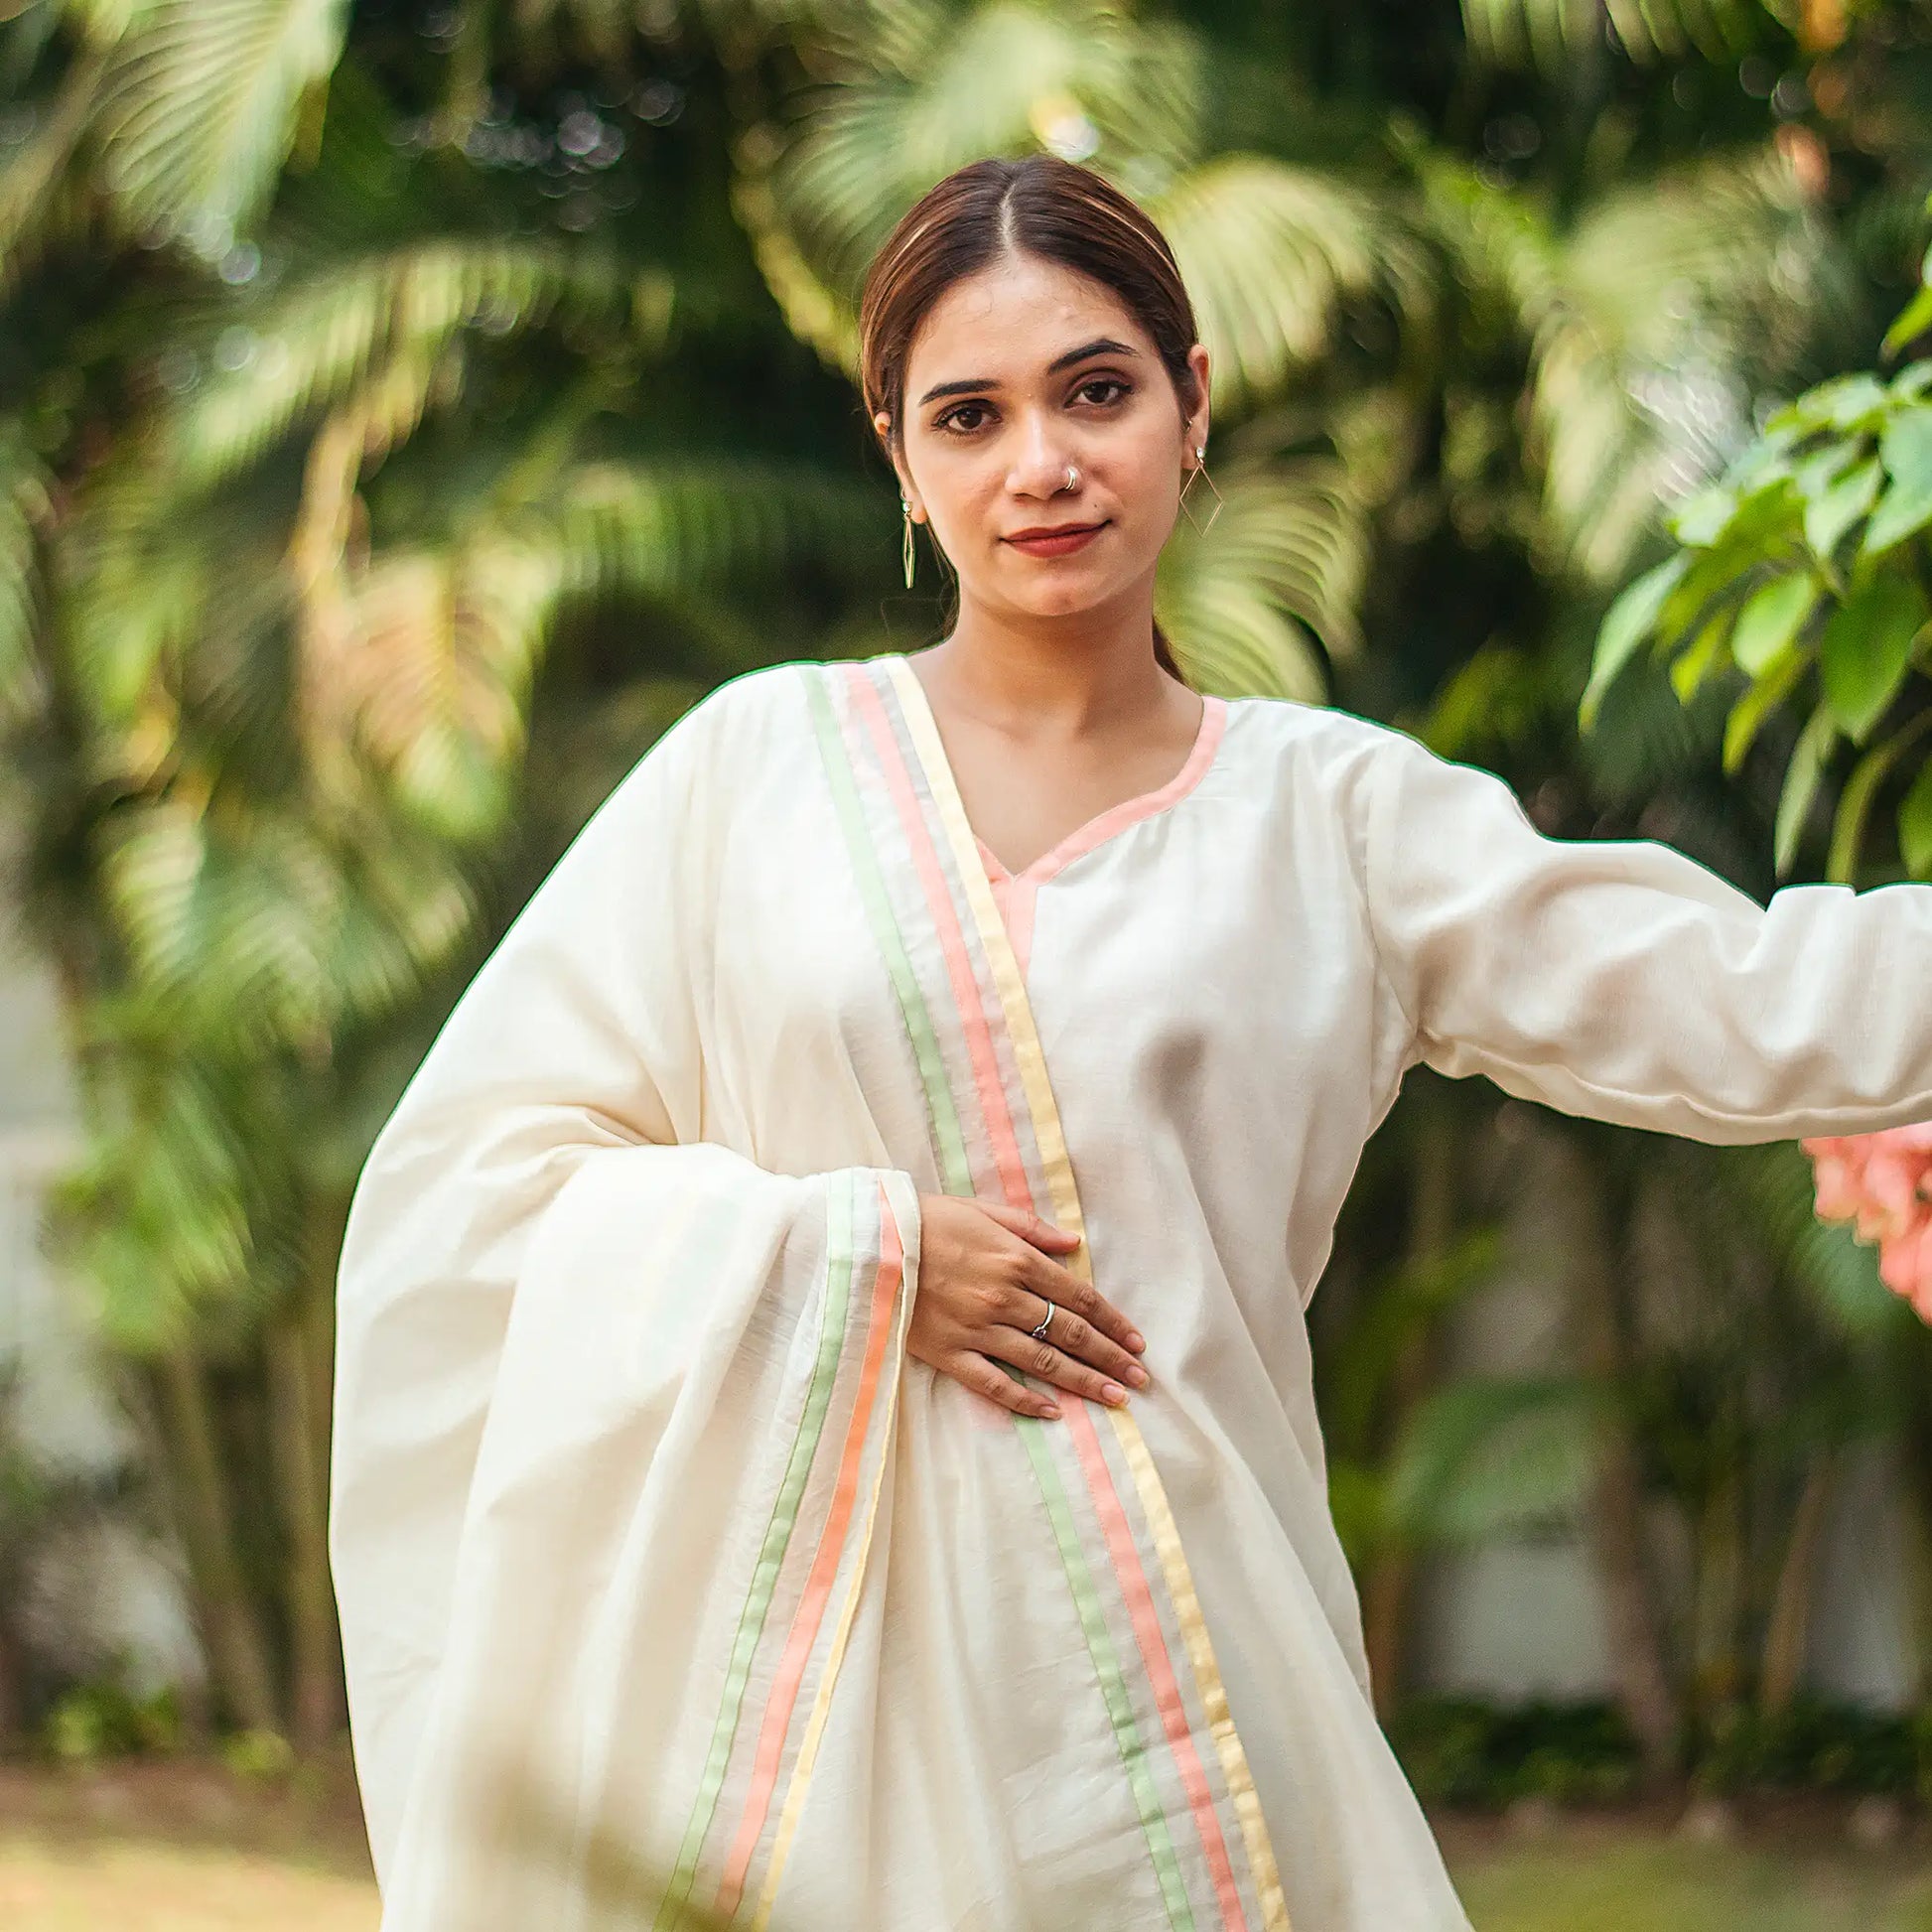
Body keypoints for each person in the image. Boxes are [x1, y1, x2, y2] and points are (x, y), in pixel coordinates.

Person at [328, 154, 1932, 1932]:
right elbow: (468, 1192)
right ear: (901, 462)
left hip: (1207, 1709)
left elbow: (1757, 1001)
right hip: (831, 1744)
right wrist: (849, 1257)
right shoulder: (751, 773)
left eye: (1096, 389)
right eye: (970, 413)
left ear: (1189, 407)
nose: (1043, 462)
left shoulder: (1331, 820)